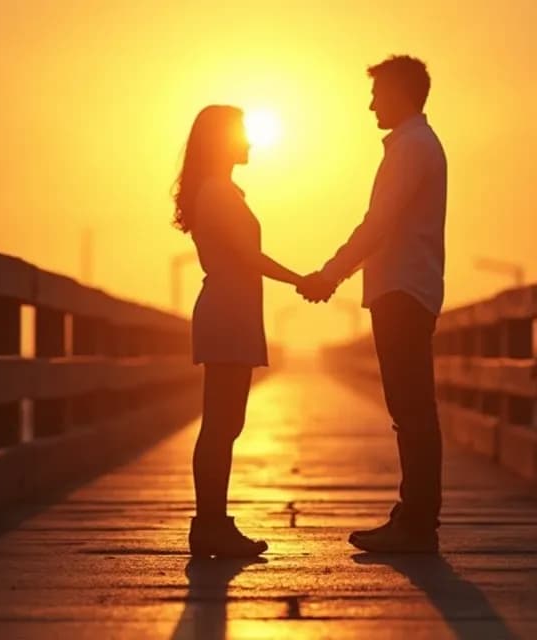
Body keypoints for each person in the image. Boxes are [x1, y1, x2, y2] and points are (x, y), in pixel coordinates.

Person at [298, 55, 448, 553]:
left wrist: (330, 273)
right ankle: (415, 518)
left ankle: (417, 524)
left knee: (412, 410)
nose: (370, 105)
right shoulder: (414, 145)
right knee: (411, 410)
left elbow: (377, 225)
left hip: (402, 291)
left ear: (401, 93)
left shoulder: (410, 148)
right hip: (404, 287)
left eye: (377, 93)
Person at [175, 105, 303, 557]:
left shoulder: (221, 191)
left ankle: (212, 523)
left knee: (226, 424)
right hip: (228, 313)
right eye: (243, 134)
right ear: (221, 141)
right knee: (220, 425)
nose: (250, 142)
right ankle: (210, 525)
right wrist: (303, 280)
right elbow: (250, 257)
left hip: (234, 312)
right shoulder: (216, 193)